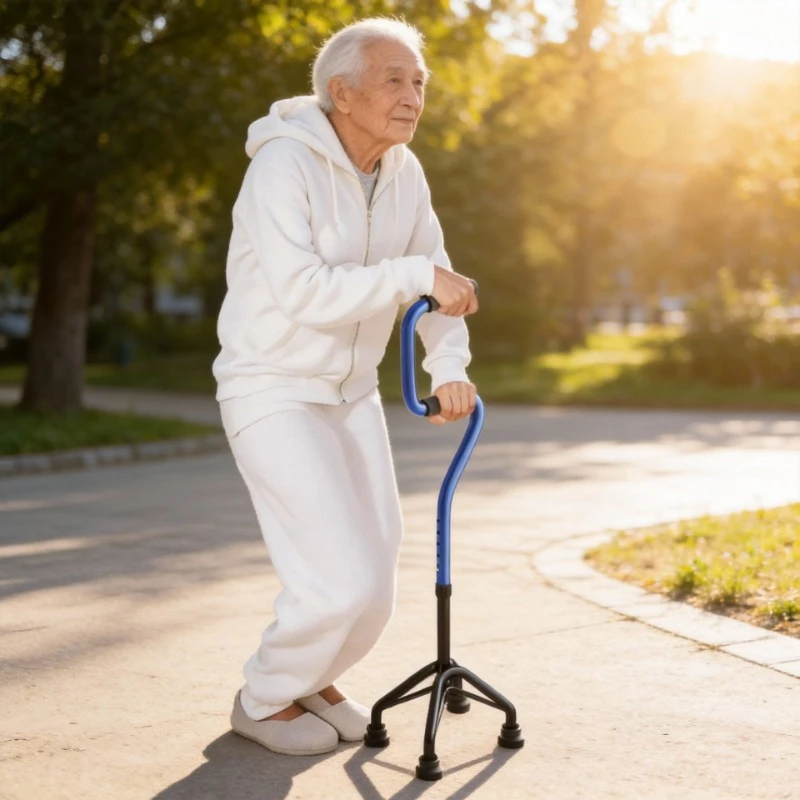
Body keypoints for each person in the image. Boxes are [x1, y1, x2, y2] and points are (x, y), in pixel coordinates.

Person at [212, 17, 479, 756]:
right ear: (342, 93)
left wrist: (448, 367)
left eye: (419, 82)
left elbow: (438, 278)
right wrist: (415, 277)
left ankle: (316, 679)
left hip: (350, 393)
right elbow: (304, 291)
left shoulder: (403, 173)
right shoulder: (282, 166)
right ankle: (264, 696)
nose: (412, 96)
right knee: (339, 577)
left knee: (379, 574)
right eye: (394, 79)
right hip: (272, 386)